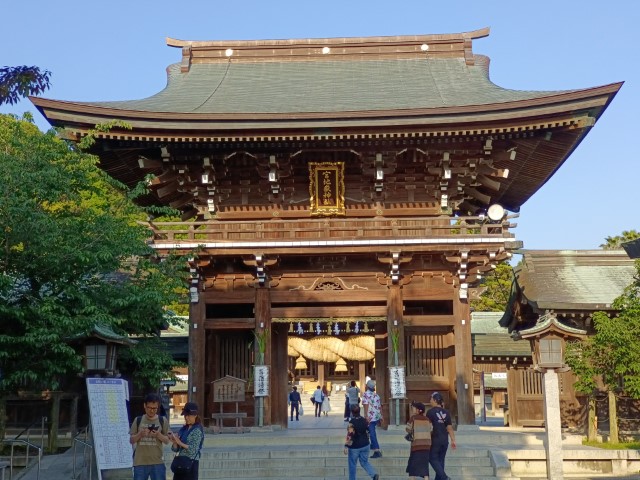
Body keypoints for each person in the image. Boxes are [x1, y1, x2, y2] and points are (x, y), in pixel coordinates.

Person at [129, 392, 171, 480]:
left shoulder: (162, 420)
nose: (152, 410)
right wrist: (140, 434)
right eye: (149, 408)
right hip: (140, 462)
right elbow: (131, 440)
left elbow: (167, 441)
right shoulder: (138, 420)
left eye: (155, 408)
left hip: (157, 462)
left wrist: (158, 435)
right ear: (145, 406)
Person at [168, 402, 205, 480]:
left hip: (191, 464)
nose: (186, 418)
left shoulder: (197, 430)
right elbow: (175, 449)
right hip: (181, 462)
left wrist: (179, 442)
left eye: (188, 415)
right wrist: (174, 440)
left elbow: (193, 449)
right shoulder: (184, 428)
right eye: (185, 415)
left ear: (195, 415)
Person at [343, 404, 379, 480]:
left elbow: (350, 435)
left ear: (352, 412)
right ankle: (373, 474)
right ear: (359, 411)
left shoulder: (351, 422)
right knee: (364, 462)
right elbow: (368, 431)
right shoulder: (364, 420)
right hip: (365, 444)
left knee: (352, 464)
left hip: (355, 446)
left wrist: (346, 446)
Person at [427, 392, 456, 480]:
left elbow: (428, 427)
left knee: (432, 458)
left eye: (431, 399)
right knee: (440, 460)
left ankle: (444, 477)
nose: (430, 401)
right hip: (444, 440)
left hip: (435, 439)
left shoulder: (430, 412)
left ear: (435, 400)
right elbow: (449, 428)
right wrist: (453, 440)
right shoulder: (446, 412)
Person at [406, 401, 432, 480]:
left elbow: (408, 429)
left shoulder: (413, 418)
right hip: (427, 445)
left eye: (414, 408)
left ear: (418, 410)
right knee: (425, 466)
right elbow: (431, 429)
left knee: (413, 467)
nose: (412, 409)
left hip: (416, 445)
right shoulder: (428, 419)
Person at [361, 379, 383, 458]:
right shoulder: (376, 395)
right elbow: (380, 406)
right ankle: (372, 445)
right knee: (370, 431)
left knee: (372, 432)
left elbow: (366, 405)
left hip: (370, 416)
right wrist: (381, 416)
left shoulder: (366, 394)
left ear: (367, 386)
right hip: (376, 416)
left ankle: (376, 450)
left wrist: (366, 415)